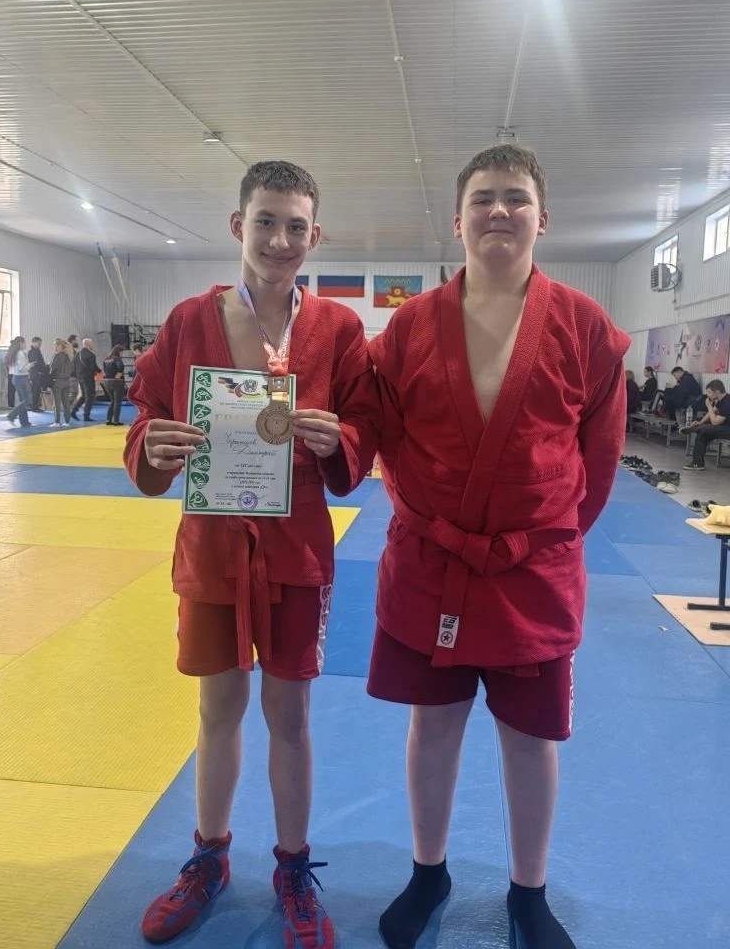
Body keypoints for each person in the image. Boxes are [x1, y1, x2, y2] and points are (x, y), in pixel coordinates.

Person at [367, 144, 630, 949]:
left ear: (542, 219)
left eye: (516, 198)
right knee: (434, 726)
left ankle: (529, 889)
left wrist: (547, 542)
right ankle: (428, 871)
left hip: (532, 572)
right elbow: (383, 443)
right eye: (483, 198)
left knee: (531, 738)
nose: (500, 211)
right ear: (458, 221)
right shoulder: (410, 326)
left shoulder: (584, 327)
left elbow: (599, 462)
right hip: (432, 563)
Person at [123, 160, 380, 948]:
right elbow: (146, 417)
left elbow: (364, 430)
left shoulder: (339, 330)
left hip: (296, 548)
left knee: (290, 715)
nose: (279, 239)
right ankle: (209, 857)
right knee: (217, 710)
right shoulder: (188, 321)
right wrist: (150, 445)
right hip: (213, 547)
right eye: (265, 221)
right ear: (239, 225)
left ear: (315, 235)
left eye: (296, 226)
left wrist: (340, 441)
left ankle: (293, 867)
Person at [682, 380, 730, 471]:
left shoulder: (727, 403)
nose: (707, 395)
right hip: (724, 428)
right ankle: (697, 463)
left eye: (709, 392)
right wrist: (700, 422)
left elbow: (715, 422)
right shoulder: (722, 399)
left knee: (704, 429)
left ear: (717, 392)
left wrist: (709, 406)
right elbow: (711, 413)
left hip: (728, 429)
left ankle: (695, 429)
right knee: (702, 433)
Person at [4, 336, 33, 428]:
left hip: (15, 378)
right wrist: (30, 365)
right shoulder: (20, 353)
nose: (25, 344)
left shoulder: (13, 353)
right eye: (24, 342)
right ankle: (11, 415)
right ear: (21, 343)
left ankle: (24, 422)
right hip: (21, 378)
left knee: (22, 401)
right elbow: (22, 368)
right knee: (27, 400)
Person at [49, 338, 74, 426]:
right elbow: (72, 369)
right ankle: (67, 421)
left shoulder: (57, 356)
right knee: (66, 402)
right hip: (67, 381)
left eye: (55, 345)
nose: (54, 347)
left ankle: (57, 421)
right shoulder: (69, 356)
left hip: (58, 381)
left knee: (57, 403)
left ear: (60, 346)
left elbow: (53, 368)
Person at [72, 338, 100, 420]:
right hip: (88, 377)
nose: (93, 345)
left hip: (80, 377)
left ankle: (73, 410)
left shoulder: (77, 354)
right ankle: (86, 415)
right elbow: (93, 367)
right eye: (92, 344)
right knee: (90, 396)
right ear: (88, 344)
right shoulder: (91, 355)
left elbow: (74, 366)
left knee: (84, 395)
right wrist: (100, 371)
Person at [102, 345, 126, 425]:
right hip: (117, 382)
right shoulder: (117, 359)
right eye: (122, 352)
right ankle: (116, 420)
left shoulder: (106, 359)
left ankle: (108, 419)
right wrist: (119, 375)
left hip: (107, 381)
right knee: (117, 402)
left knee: (112, 401)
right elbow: (121, 367)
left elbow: (104, 370)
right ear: (118, 351)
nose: (122, 354)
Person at [28, 337, 49, 412]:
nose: (40, 345)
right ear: (33, 342)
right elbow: (35, 363)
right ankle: (34, 407)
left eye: (40, 344)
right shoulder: (32, 352)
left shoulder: (37, 351)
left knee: (37, 391)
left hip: (39, 374)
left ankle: (35, 406)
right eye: (39, 343)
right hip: (36, 374)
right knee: (35, 391)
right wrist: (41, 370)